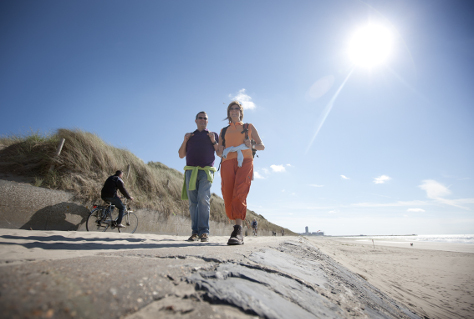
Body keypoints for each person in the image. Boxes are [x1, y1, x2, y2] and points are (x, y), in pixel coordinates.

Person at [217, 101, 265, 245]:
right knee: (227, 194)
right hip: (227, 162)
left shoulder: (248, 127)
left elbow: (261, 146)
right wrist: (219, 150)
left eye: (237, 108)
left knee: (240, 192)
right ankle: (236, 224)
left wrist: (252, 145)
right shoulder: (223, 131)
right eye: (231, 109)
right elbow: (219, 151)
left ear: (241, 112)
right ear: (228, 113)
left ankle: (238, 230)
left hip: (245, 160)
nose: (234, 111)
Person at [179, 111, 219, 243]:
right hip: (191, 171)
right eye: (200, 118)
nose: (203, 120)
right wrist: (185, 140)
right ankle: (194, 232)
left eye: (205, 118)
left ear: (207, 121)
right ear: (195, 120)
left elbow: (219, 153)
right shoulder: (190, 136)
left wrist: (213, 141)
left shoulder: (212, 135)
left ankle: (204, 232)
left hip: (206, 171)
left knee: (203, 198)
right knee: (192, 203)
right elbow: (181, 154)